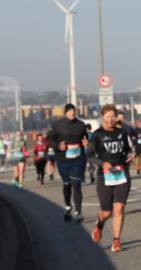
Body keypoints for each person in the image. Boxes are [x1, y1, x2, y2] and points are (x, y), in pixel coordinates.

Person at [90, 104, 133, 252]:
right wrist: (103, 163)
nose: (110, 120)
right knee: (107, 212)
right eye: (107, 116)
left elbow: (127, 149)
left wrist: (129, 154)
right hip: (104, 176)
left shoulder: (122, 132)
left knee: (119, 208)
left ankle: (116, 240)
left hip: (122, 174)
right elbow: (89, 155)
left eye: (113, 116)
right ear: (102, 117)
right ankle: (99, 224)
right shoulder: (97, 135)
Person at [47, 103, 88, 222]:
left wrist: (86, 143)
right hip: (63, 159)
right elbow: (49, 140)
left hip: (78, 159)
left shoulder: (81, 125)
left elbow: (85, 139)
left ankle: (78, 212)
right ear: (65, 113)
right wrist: (58, 146)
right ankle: (68, 206)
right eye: (70, 111)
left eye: (74, 111)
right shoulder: (57, 125)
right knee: (67, 184)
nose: (72, 113)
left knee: (76, 183)